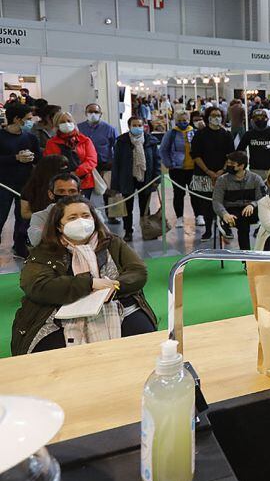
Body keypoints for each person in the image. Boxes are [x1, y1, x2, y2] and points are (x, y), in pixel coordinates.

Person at [13, 196, 157, 355]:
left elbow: (138, 271)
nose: (81, 221)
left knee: (144, 339)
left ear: (94, 219)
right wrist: (90, 284)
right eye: (72, 218)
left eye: (85, 215)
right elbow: (37, 285)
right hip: (57, 314)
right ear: (59, 226)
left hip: (116, 305)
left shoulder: (112, 242)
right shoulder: (45, 250)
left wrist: (114, 286)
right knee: (54, 353)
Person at [111, 117, 161, 242]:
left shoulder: (150, 141)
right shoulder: (121, 141)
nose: (137, 127)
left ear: (144, 126)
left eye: (139, 125)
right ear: (129, 126)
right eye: (134, 125)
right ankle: (128, 231)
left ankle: (147, 230)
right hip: (127, 177)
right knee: (127, 207)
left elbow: (157, 160)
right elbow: (116, 162)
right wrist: (115, 184)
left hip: (146, 178)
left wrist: (156, 178)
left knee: (145, 207)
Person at [0, 103, 40, 257]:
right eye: (28, 119)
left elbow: (38, 158)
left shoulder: (31, 137)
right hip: (3, 184)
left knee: (23, 217)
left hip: (25, 183)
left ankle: (20, 245)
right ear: (17, 119)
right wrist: (15, 158)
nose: (31, 122)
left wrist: (32, 157)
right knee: (1, 215)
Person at [27, 173, 108, 248]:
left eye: (72, 191)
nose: (67, 195)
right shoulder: (40, 216)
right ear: (51, 194)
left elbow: (104, 234)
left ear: (79, 193)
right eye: (61, 191)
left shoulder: (93, 212)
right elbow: (35, 240)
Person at [190, 107, 235, 240]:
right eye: (213, 115)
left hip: (223, 174)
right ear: (208, 117)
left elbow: (231, 155)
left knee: (225, 202)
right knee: (206, 203)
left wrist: (222, 170)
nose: (216, 118)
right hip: (204, 174)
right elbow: (195, 155)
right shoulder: (200, 134)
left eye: (219, 115)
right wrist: (208, 172)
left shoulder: (227, 135)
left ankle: (226, 227)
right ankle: (208, 230)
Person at [212, 151, 266, 251]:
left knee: (251, 218)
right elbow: (217, 201)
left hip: (252, 210)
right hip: (232, 210)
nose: (228, 165)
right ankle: (246, 254)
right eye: (228, 163)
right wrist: (224, 214)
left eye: (232, 164)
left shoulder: (256, 179)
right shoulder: (222, 180)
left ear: (242, 166)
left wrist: (252, 204)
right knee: (242, 221)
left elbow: (262, 198)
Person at [44, 112, 98, 199]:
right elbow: (49, 162)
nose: (66, 124)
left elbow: (92, 160)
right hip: (61, 184)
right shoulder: (51, 143)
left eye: (69, 121)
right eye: (62, 122)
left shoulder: (85, 140)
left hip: (84, 182)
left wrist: (76, 173)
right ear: (57, 124)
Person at [77, 103, 118, 217]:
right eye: (90, 112)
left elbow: (116, 146)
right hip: (87, 166)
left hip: (104, 164)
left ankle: (112, 216)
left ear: (100, 114)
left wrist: (113, 162)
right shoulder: (79, 128)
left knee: (109, 191)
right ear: (86, 113)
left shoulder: (109, 129)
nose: (93, 114)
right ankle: (84, 214)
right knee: (85, 192)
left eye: (96, 112)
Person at [159, 111, 197, 223]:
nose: (182, 122)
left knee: (195, 194)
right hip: (177, 169)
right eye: (179, 120)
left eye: (184, 120)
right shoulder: (171, 133)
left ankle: (198, 215)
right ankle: (179, 217)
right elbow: (163, 150)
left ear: (189, 120)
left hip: (193, 169)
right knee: (178, 194)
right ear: (175, 121)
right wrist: (168, 163)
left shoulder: (194, 132)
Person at [236, 108, 270, 180]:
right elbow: (239, 150)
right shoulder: (249, 134)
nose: (260, 120)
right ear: (252, 120)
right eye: (257, 118)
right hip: (254, 169)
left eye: (262, 118)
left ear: (267, 119)